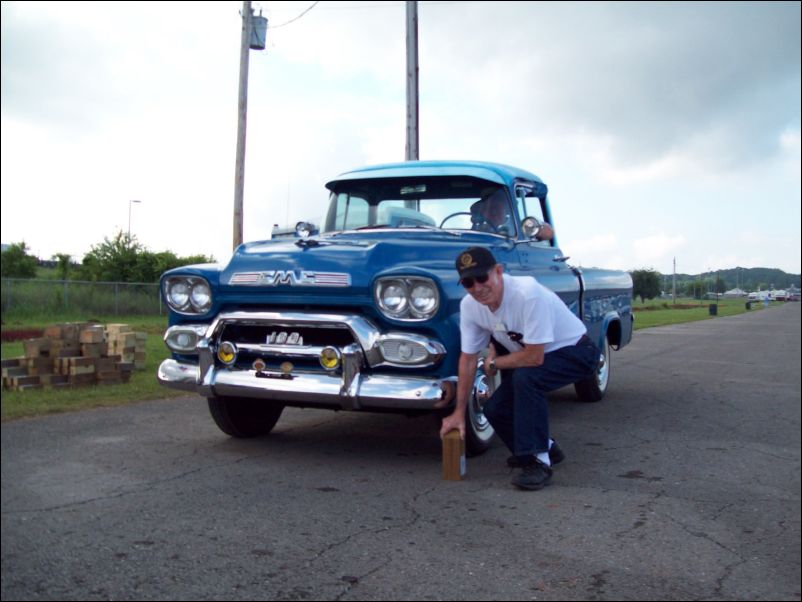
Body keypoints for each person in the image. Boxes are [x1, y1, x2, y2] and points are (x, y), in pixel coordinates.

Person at [440, 246, 601, 490]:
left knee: (527, 378)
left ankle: (538, 462)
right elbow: (468, 358)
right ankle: (546, 447)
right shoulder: (470, 306)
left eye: (482, 278)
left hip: (577, 352)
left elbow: (534, 358)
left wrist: (494, 363)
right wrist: (458, 413)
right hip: (536, 359)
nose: (477, 288)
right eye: (468, 283)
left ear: (498, 271)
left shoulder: (527, 294)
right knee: (495, 409)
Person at [471, 188, 554, 241]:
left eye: (496, 208)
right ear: (481, 212)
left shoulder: (520, 228)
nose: (493, 212)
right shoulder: (475, 233)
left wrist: (536, 228)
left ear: (507, 210)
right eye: (487, 208)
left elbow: (549, 232)